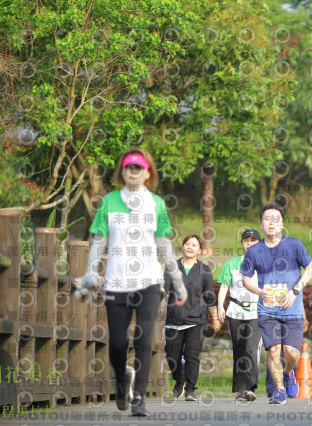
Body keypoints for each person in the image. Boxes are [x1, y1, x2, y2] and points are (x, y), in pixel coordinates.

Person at [79, 147, 187, 417]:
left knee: (143, 340)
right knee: (117, 343)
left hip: (149, 282)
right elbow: (98, 241)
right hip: (116, 283)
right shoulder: (109, 202)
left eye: (139, 168)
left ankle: (138, 398)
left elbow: (164, 246)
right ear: (122, 171)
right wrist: (92, 271)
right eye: (129, 167)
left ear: (148, 172)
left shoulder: (157, 204)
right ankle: (122, 379)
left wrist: (178, 281)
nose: (133, 172)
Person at [241, 202, 312, 405]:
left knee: (291, 353)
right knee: (274, 351)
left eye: (276, 219)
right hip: (267, 310)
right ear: (261, 223)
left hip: (293, 310)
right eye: (267, 219)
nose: (271, 223)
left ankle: (289, 373)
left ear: (282, 223)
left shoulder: (294, 245)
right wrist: (259, 291)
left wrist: (294, 291)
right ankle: (280, 391)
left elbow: (310, 269)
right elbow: (245, 278)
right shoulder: (254, 251)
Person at [164, 234, 219, 402]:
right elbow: (163, 289)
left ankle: (190, 389)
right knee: (171, 356)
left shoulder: (204, 270)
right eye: (187, 244)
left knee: (192, 356)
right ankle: (179, 379)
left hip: (196, 320)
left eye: (194, 245)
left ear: (199, 250)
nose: (190, 247)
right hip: (174, 320)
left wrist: (215, 318)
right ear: (183, 246)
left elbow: (209, 297)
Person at [216, 229, 262, 401]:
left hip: (257, 312)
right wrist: (220, 306)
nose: (249, 243)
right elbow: (224, 287)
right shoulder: (231, 264)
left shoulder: (265, 264)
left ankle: (251, 387)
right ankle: (241, 390)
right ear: (242, 243)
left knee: (251, 347)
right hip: (235, 311)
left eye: (253, 240)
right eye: (246, 240)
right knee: (239, 349)